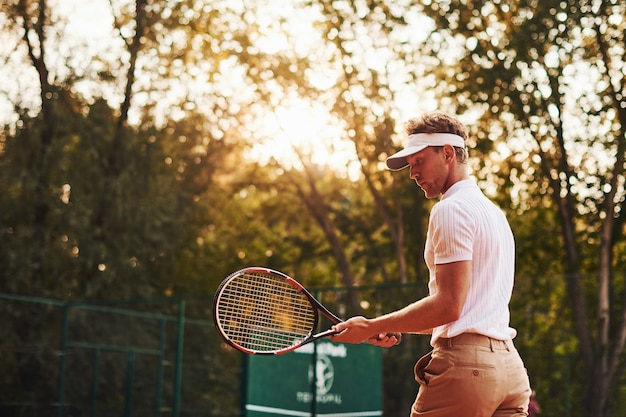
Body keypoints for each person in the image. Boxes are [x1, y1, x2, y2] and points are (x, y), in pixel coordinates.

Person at [331, 112, 531, 416]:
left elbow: (450, 306)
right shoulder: (494, 214)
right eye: (410, 166)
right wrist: (392, 325)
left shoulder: (450, 210)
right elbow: (466, 310)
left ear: (448, 153)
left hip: (467, 373)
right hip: (509, 372)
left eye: (419, 161)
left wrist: (372, 326)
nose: (413, 173)